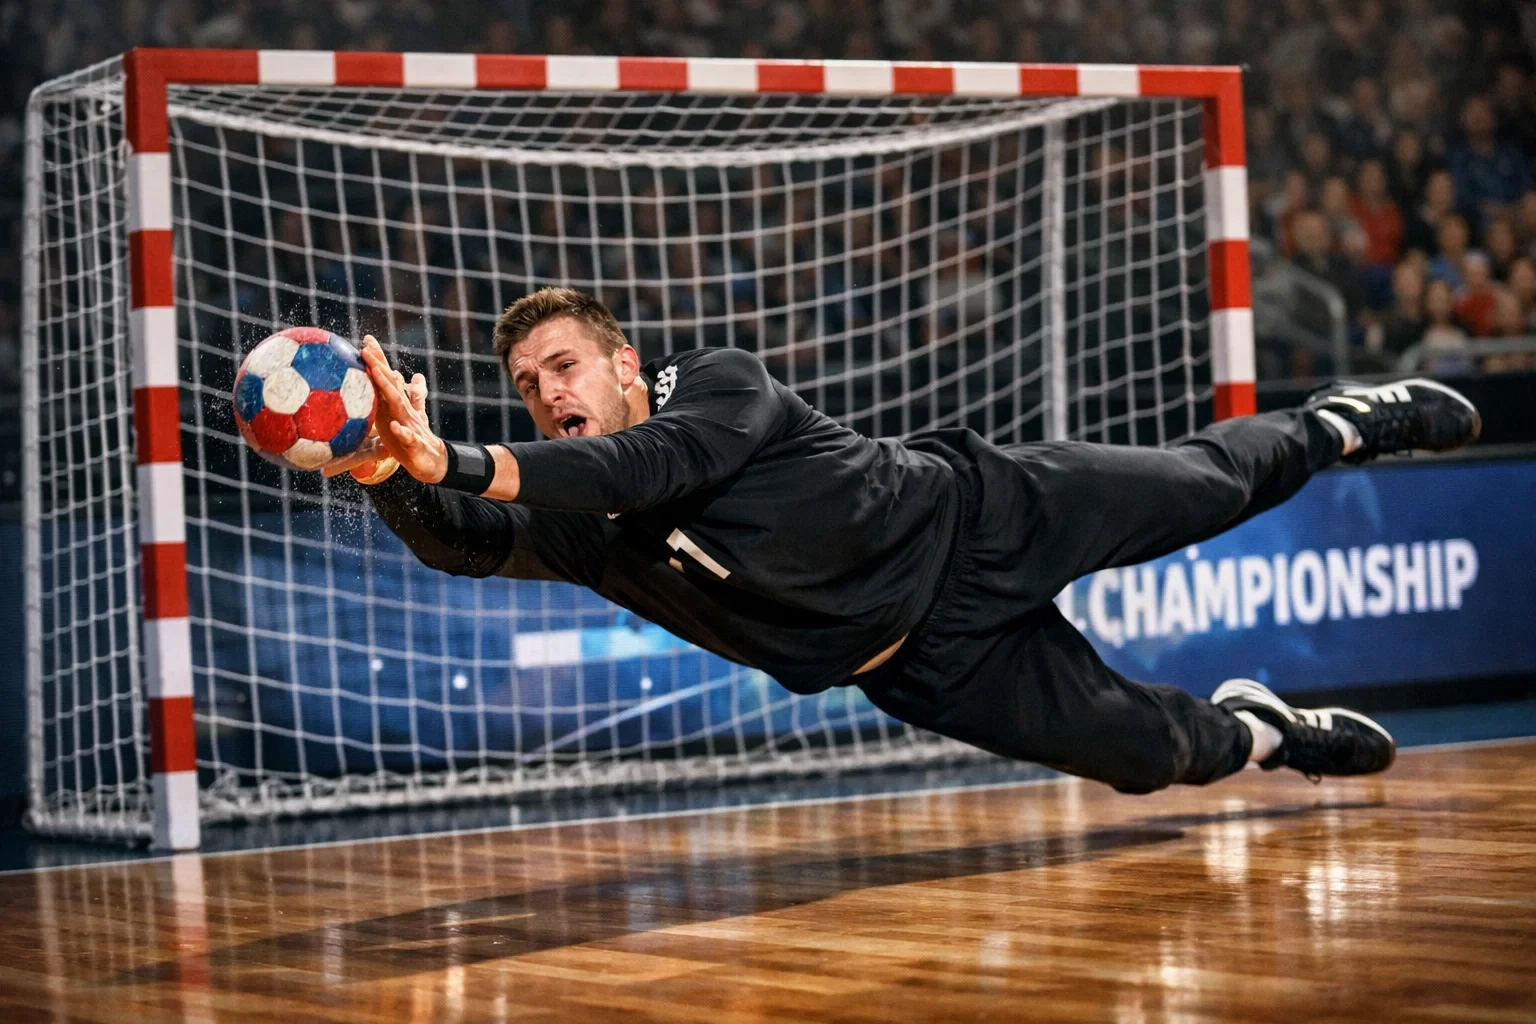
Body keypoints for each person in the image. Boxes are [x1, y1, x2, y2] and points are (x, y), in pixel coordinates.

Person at [325, 288, 1481, 795]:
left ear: (625, 365)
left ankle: (1344, 418)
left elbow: (647, 465)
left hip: (979, 515)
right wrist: (386, 470)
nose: (546, 393)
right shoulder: (586, 530)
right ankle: (1262, 736)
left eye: (563, 367)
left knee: (1205, 484)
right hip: (927, 664)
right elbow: (464, 541)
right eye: (527, 387)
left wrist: (461, 457)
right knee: (1146, 755)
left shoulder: (716, 385)